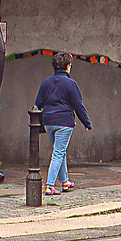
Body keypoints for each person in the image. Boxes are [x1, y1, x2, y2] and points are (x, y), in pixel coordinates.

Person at [34, 53, 92, 193]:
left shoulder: (46, 82)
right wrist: (86, 122)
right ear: (68, 66)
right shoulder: (70, 83)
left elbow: (38, 103)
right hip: (64, 122)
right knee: (58, 152)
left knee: (60, 150)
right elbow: (78, 105)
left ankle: (65, 181)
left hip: (48, 122)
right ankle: (50, 185)